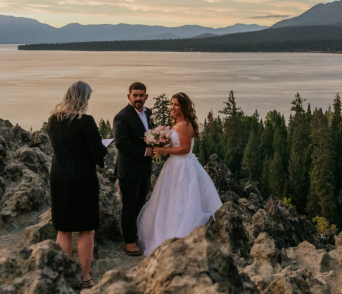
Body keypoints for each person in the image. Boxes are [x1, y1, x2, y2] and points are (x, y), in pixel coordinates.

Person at [136, 92, 222, 255]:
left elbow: (185, 149)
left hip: (183, 167)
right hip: (175, 166)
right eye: (172, 104)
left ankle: (179, 234)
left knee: (182, 202)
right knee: (171, 202)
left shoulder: (184, 124)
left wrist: (164, 150)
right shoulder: (179, 122)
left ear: (183, 107)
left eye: (176, 104)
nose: (172, 107)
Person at [47, 81, 107, 290]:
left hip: (58, 176)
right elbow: (98, 154)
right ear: (84, 99)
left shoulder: (53, 120)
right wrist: (104, 148)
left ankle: (65, 276)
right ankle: (84, 277)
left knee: (64, 229)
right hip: (82, 179)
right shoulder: (86, 122)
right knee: (85, 229)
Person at [113, 82, 155, 256]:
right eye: (135, 95)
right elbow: (121, 143)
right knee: (129, 206)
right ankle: (129, 240)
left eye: (141, 95)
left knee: (141, 204)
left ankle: (139, 235)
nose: (138, 98)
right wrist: (146, 151)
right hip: (129, 170)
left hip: (145, 169)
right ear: (129, 96)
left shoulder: (149, 113)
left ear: (146, 96)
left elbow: (152, 134)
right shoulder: (121, 117)